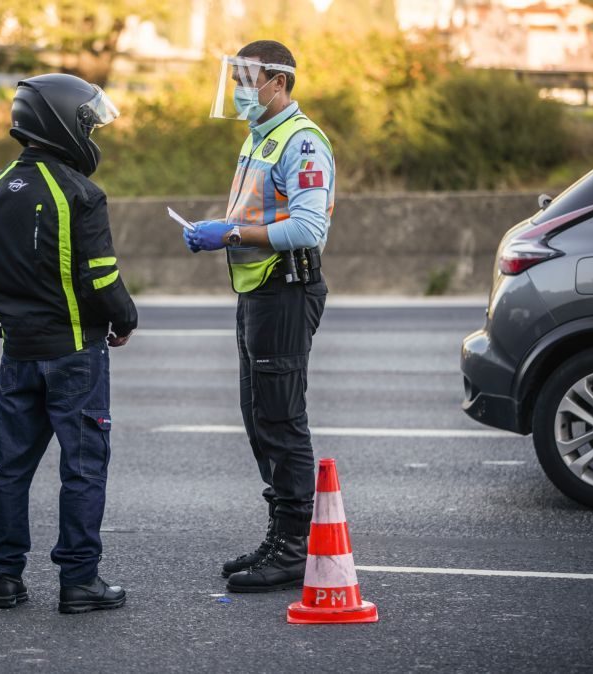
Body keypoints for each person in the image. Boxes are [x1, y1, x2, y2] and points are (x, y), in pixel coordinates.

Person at [0, 73, 138, 613]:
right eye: (89, 123)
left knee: (10, 469)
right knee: (82, 468)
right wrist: (126, 317)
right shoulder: (80, 193)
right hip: (75, 354)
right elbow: (101, 280)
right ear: (61, 123)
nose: (93, 134)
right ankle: (79, 581)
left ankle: (5, 580)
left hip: (16, 354)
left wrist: (21, 288)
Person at [184, 40, 335, 592]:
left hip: (285, 290)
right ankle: (281, 534)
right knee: (257, 416)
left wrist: (229, 233)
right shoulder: (259, 140)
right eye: (237, 79)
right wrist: (224, 231)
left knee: (280, 418)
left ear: (279, 82)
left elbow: (308, 229)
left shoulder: (302, 142)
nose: (240, 90)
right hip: (256, 290)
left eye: (248, 79)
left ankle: (294, 547)